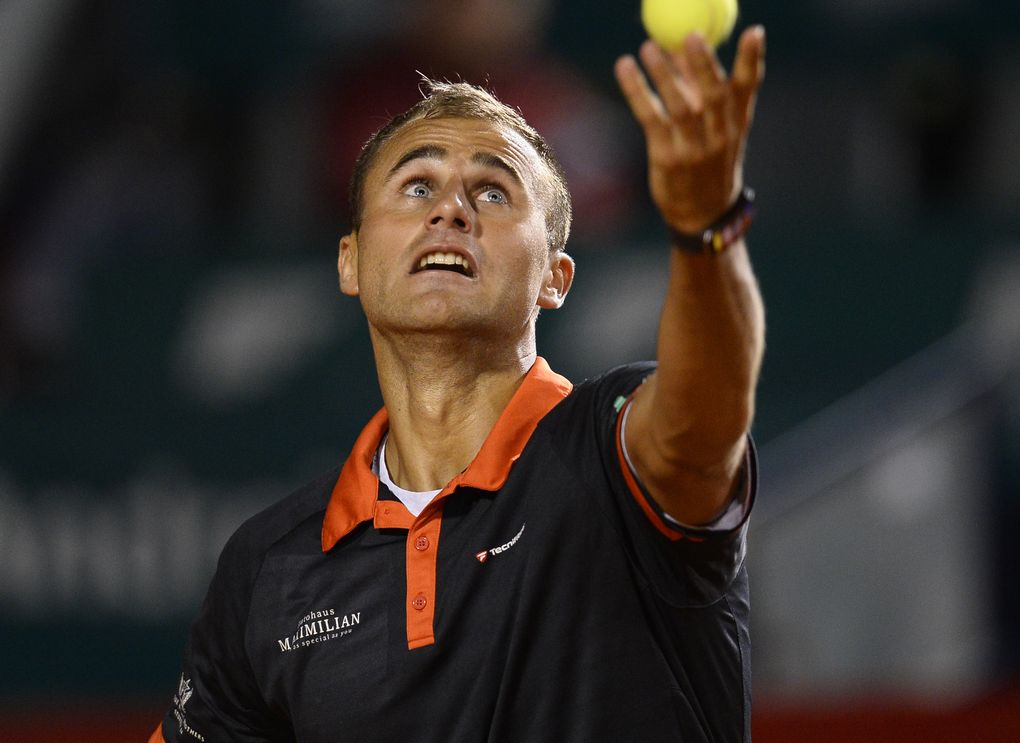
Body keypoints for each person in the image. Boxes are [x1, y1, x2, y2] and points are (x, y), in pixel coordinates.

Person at [150, 24, 767, 743]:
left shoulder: (613, 451)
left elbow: (705, 423)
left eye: (494, 192)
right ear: (349, 261)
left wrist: (707, 228)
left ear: (554, 279)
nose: (451, 209)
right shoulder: (269, 565)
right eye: (416, 185)